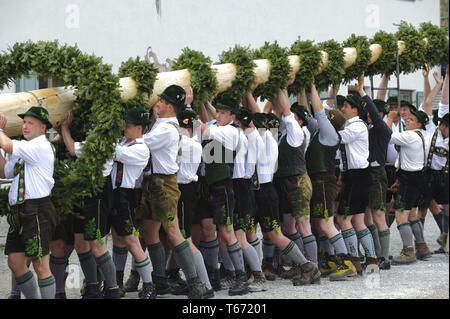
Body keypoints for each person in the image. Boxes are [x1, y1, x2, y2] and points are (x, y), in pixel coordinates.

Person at [140, 84, 206, 299]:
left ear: (169, 106)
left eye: (160, 101)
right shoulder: (162, 123)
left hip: (164, 184)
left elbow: (142, 143)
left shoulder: (168, 129)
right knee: (150, 232)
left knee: (173, 231)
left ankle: (195, 282)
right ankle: (160, 282)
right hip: (153, 183)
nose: (156, 103)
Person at [60, 110, 121, 299]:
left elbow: (72, 148)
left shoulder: (106, 135)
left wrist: (64, 128)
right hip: (82, 188)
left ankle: (112, 290)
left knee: (97, 243)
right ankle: (93, 286)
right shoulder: (92, 128)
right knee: (81, 242)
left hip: (97, 191)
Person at [0, 106, 57, 299]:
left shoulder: (40, 145)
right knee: (15, 263)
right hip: (20, 211)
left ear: (43, 128)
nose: (25, 126)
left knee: (40, 264)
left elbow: (8, 145)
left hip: (38, 210)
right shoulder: (25, 148)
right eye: (24, 122)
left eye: (30, 122)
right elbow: (4, 172)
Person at [197, 95, 249, 296]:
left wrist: (186, 106)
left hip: (224, 188)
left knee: (227, 233)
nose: (218, 115)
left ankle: (241, 277)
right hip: (210, 187)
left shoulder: (230, 132)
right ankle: (214, 277)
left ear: (233, 117)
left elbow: (204, 128)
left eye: (223, 113)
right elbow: (209, 121)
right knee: (209, 229)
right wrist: (204, 102)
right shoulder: (222, 126)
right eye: (217, 112)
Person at [306, 82, 357, 281]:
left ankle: (346, 262)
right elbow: (310, 114)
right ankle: (329, 260)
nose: (322, 117)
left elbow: (318, 111)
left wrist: (312, 85)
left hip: (324, 181)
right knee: (320, 224)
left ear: (330, 121)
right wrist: (304, 90)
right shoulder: (320, 131)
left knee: (327, 223)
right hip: (319, 180)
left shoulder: (329, 133)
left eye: (326, 117)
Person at [271, 89, 317, 271]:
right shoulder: (286, 134)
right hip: (287, 183)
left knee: (304, 226)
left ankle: (313, 268)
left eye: (290, 116)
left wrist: (282, 88)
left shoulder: (297, 131)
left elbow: (286, 110)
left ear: (298, 120)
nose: (285, 117)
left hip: (298, 183)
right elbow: (281, 110)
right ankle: (301, 265)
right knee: (289, 227)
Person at [336, 92, 378, 274]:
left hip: (357, 176)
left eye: (345, 106)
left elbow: (338, 137)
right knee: (358, 220)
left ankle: (354, 261)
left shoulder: (357, 126)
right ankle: (371, 260)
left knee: (343, 218)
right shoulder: (353, 125)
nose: (342, 109)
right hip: (354, 175)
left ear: (354, 109)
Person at [175, 109, 214, 298]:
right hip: (187, 191)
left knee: (186, 240)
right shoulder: (195, 142)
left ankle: (205, 285)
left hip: (184, 192)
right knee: (180, 239)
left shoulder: (186, 143)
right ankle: (192, 280)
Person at [355, 74, 393, 271]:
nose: (368, 115)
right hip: (365, 173)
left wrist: (363, 92)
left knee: (378, 214)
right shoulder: (367, 126)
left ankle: (384, 257)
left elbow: (373, 114)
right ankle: (375, 255)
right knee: (368, 215)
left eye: (372, 112)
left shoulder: (382, 128)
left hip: (377, 173)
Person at [387, 107, 430, 264]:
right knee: (411, 214)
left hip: (410, 179)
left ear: (419, 124)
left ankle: (408, 251)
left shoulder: (411, 135)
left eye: (411, 120)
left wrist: (390, 119)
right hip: (416, 177)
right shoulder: (420, 135)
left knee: (400, 215)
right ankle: (422, 246)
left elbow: (388, 137)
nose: (407, 121)